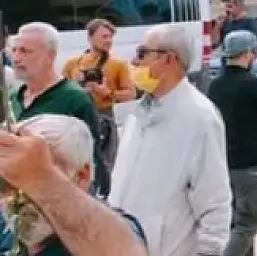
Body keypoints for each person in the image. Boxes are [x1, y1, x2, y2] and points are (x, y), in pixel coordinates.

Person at [110, 23, 231, 256]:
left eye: (143, 53)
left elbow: (214, 196)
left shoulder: (199, 117)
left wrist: (209, 250)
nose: (135, 62)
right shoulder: (140, 112)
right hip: (125, 242)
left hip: (167, 247)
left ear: (169, 59)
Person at [0, 114, 148, 256]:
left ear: (82, 175)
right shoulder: (9, 223)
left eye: (33, 173)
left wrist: (43, 179)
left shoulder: (110, 229)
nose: (23, 193)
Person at [206, 31, 257, 256]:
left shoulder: (215, 85)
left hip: (223, 163)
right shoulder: (255, 85)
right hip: (250, 165)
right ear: (249, 54)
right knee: (246, 225)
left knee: (231, 223)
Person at [8, 24, 100, 176]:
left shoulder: (74, 99)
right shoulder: (12, 97)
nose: (16, 58)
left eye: (25, 51)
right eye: (14, 50)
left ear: (49, 56)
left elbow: (92, 156)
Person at [61, 19, 136, 198]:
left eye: (110, 37)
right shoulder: (74, 63)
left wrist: (107, 92)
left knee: (105, 163)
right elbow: (60, 89)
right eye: (104, 36)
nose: (108, 41)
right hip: (78, 117)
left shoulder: (118, 64)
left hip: (104, 117)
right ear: (90, 38)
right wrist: (76, 85)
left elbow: (130, 94)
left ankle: (108, 198)